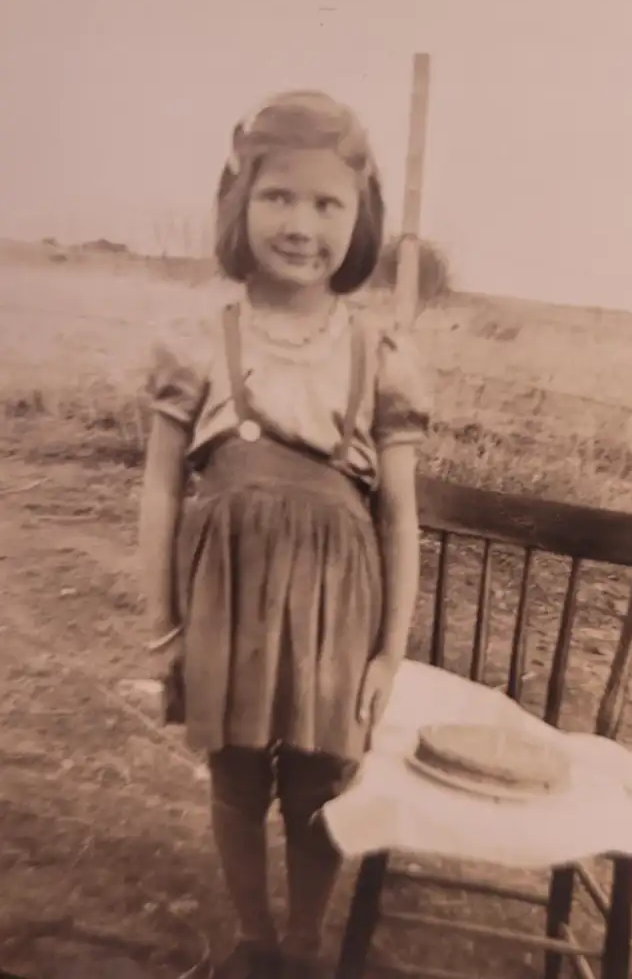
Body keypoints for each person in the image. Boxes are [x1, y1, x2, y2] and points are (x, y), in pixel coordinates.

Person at [138, 91, 432, 979]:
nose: (300, 224)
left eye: (326, 203)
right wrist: (161, 625)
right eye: (278, 198)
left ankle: (305, 939)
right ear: (240, 203)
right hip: (225, 596)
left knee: (316, 781)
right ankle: (253, 939)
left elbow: (400, 517)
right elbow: (158, 491)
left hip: (336, 610)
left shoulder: (379, 355)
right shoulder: (197, 341)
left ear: (359, 216)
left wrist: (388, 655)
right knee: (235, 774)